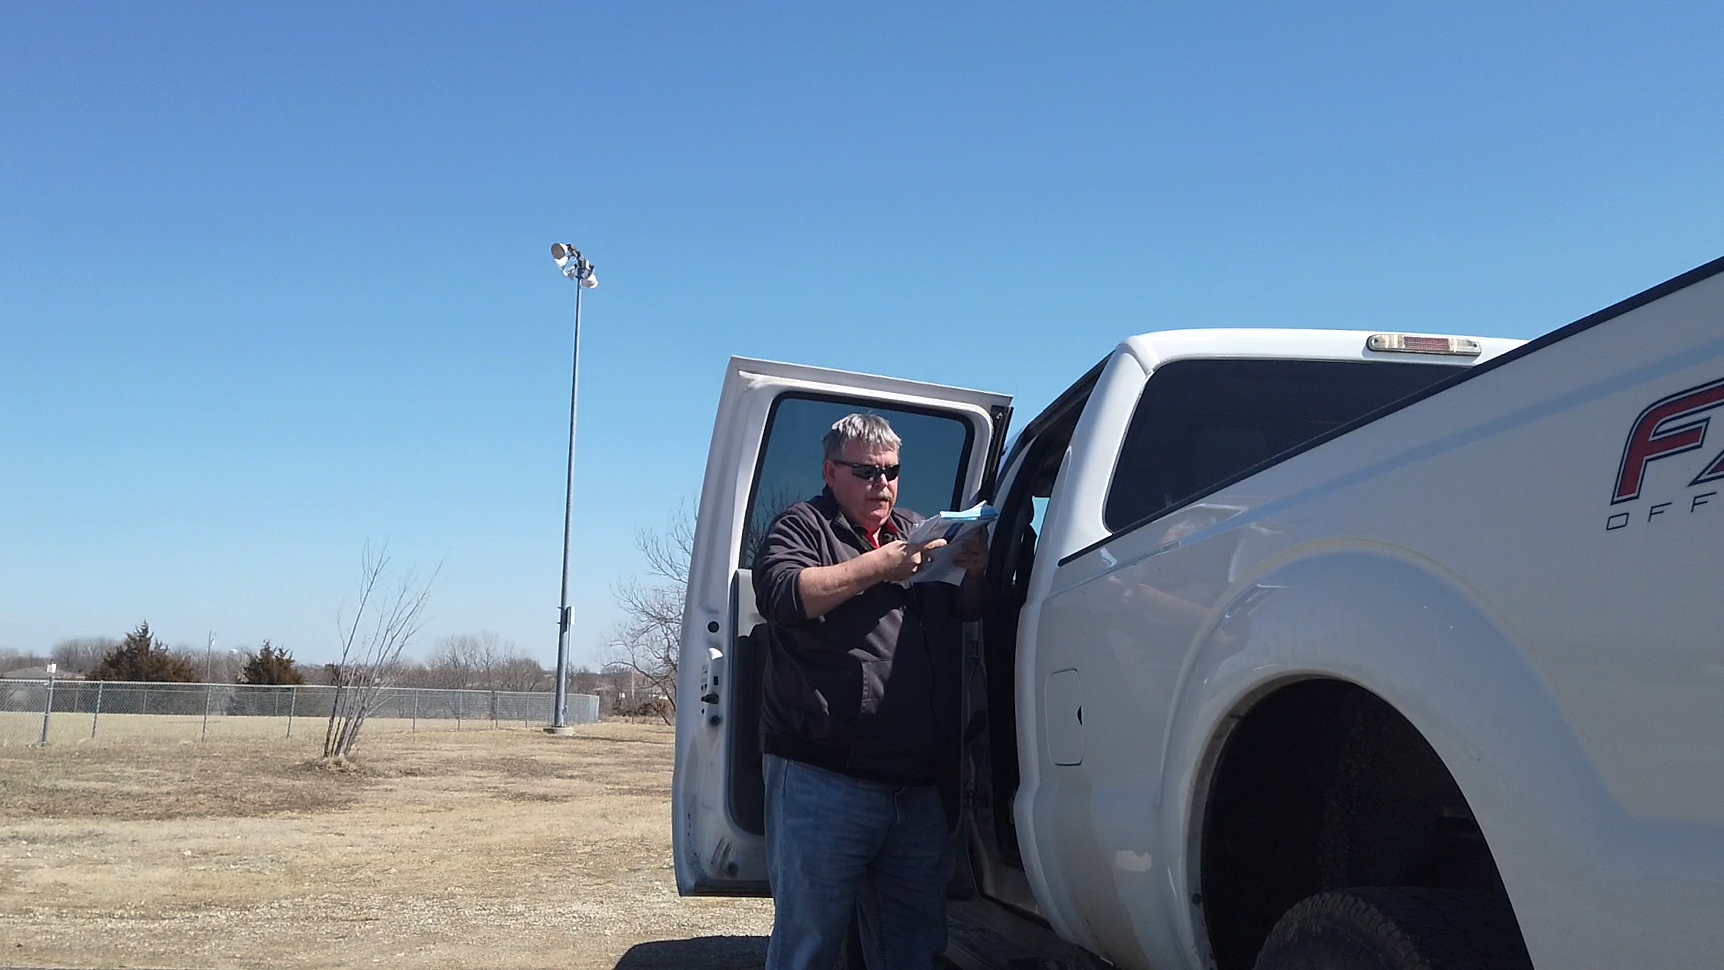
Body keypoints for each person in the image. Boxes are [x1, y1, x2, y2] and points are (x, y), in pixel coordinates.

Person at [752, 412, 988, 970]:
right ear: (831, 472)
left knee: (914, 948)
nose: (883, 484)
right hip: (823, 778)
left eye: (891, 472)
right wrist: (879, 565)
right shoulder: (803, 525)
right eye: (867, 472)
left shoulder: (917, 530)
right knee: (809, 950)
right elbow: (784, 594)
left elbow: (962, 613)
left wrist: (975, 572)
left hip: (914, 788)